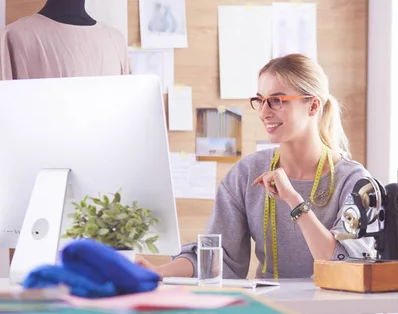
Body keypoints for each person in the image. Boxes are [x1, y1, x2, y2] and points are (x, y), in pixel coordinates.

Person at [136, 53, 375, 279]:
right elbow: (217, 256)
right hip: (271, 310)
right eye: (260, 101)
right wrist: (158, 273)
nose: (264, 112)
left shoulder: (356, 182)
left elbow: (344, 264)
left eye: (276, 101)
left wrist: (294, 200)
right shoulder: (247, 173)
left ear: (313, 106)